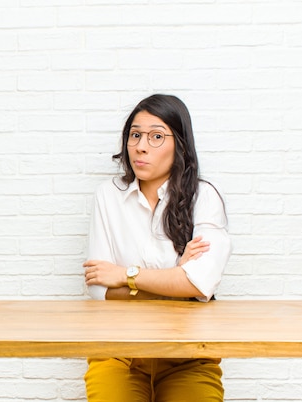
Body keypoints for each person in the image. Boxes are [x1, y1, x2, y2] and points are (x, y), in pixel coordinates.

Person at [82, 94, 231, 402]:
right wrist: (174, 279)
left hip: (188, 354)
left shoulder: (203, 197)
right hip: (118, 352)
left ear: (179, 144)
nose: (141, 145)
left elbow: (198, 282)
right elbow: (99, 288)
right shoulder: (108, 196)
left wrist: (125, 275)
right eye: (135, 134)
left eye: (156, 136)